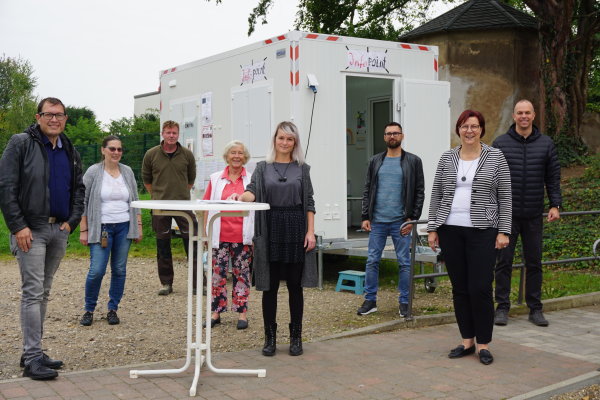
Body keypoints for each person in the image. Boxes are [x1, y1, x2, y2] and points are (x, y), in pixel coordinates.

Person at [0, 97, 85, 380]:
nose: (54, 120)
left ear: (65, 118)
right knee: (33, 292)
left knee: (44, 292)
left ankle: (32, 351)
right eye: (49, 114)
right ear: (38, 117)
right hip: (30, 230)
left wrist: (72, 222)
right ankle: (33, 358)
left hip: (57, 230)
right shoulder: (21, 143)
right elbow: (7, 186)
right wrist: (17, 226)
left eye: (59, 115)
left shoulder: (68, 148)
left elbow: (78, 189)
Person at [427, 110, 512, 365]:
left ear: (482, 129)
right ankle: (467, 341)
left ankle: (483, 344)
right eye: (465, 126)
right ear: (458, 130)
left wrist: (504, 230)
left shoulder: (496, 157)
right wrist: (433, 228)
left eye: (474, 126)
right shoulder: (447, 157)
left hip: (483, 230)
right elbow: (436, 194)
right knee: (460, 289)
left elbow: (506, 196)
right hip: (450, 229)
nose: (469, 131)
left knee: (481, 288)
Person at [230, 121, 316, 357]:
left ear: (294, 142)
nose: (285, 143)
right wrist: (242, 197)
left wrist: (310, 232)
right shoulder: (262, 167)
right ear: (275, 140)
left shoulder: (303, 168)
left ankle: (296, 338)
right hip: (270, 228)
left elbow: (309, 202)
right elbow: (252, 190)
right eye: (281, 138)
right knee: (270, 288)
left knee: (295, 287)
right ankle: (270, 338)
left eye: (290, 139)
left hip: (296, 228)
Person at [493, 99, 562, 327]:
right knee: (503, 263)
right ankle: (502, 308)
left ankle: (535, 309)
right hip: (507, 215)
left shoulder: (546, 144)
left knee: (534, 262)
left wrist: (555, 204)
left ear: (534, 116)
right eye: (520, 113)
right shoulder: (501, 143)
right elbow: (492, 180)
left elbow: (552, 177)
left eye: (527, 113)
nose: (524, 116)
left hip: (533, 214)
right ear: (514, 116)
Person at [356, 122, 425, 317]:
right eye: (388, 134)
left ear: (402, 136)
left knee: (404, 262)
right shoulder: (375, 161)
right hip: (377, 220)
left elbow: (420, 191)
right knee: (372, 261)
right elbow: (367, 189)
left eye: (396, 133)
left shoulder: (413, 161)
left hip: (401, 222)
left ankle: (404, 303)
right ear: (384, 137)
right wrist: (365, 216)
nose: (392, 136)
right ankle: (370, 301)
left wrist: (413, 219)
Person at [78, 136, 143, 327]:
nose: (116, 153)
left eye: (119, 149)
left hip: (124, 226)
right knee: (96, 270)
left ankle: (113, 308)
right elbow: (82, 200)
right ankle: (89, 309)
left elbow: (136, 199)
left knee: (119, 270)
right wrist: (84, 229)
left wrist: (138, 226)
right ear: (103, 150)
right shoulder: (93, 172)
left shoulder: (127, 171)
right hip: (101, 228)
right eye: (112, 149)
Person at [142, 120, 198, 296]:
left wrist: (180, 195)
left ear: (178, 134)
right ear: (163, 134)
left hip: (183, 205)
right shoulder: (151, 154)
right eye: (168, 132)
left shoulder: (187, 154)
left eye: (174, 133)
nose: (171, 135)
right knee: (163, 244)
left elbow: (191, 179)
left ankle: (199, 283)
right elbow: (147, 179)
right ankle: (166, 283)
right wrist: (157, 196)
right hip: (160, 206)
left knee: (193, 242)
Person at [202, 141, 254, 330]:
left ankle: (242, 313)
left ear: (245, 157)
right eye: (233, 152)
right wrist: (205, 232)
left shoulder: (250, 179)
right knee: (217, 275)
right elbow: (206, 205)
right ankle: (216, 312)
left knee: (242, 275)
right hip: (219, 234)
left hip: (242, 235)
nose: (237, 156)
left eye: (240, 153)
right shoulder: (215, 178)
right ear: (227, 155)